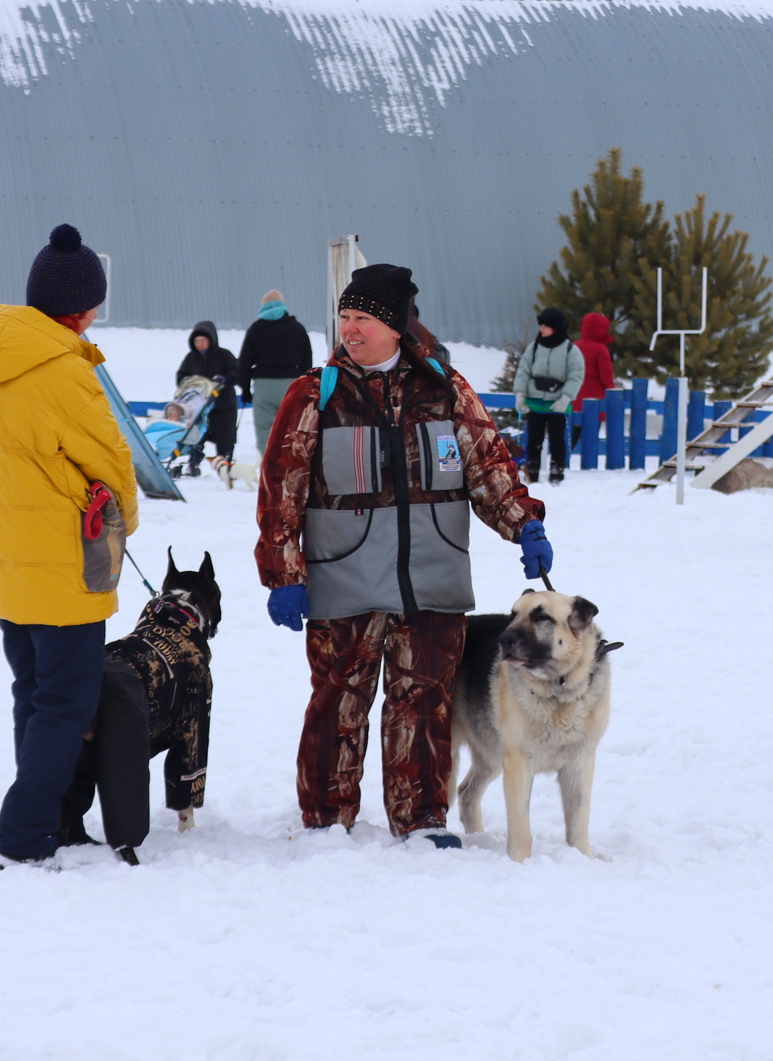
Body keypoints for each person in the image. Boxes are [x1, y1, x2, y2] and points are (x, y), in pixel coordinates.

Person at [256, 263, 550, 848]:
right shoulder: (315, 395)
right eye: (344, 318)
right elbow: (280, 490)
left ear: (394, 325)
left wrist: (524, 525)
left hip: (432, 579)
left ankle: (421, 820)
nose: (351, 329)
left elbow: (489, 468)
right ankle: (326, 821)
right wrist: (283, 574)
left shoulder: (446, 390)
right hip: (344, 580)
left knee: (425, 703)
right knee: (338, 701)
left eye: (363, 318)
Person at [0, 224, 140, 872]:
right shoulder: (63, 370)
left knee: (35, 695)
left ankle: (59, 819)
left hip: (4, 562)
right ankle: (25, 834)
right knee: (66, 704)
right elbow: (112, 460)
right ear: (82, 307)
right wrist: (126, 522)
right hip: (64, 564)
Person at [514, 306, 584, 485]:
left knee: (557, 440)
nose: (541, 329)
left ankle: (557, 473)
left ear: (555, 327)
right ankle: (532, 473)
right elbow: (523, 370)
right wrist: (520, 394)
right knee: (534, 440)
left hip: (557, 404)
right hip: (535, 402)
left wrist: (565, 398)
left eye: (545, 325)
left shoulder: (570, 350)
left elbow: (575, 375)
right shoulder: (535, 347)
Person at [238, 289, 313, 457]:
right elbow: (307, 358)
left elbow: (244, 362)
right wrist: (304, 381)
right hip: (290, 384)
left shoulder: (255, 329)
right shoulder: (297, 328)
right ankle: (291, 465)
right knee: (291, 426)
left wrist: (245, 389)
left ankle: (269, 467)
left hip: (263, 384)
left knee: (265, 429)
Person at [176, 321, 238, 475]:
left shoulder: (225, 355)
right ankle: (193, 462)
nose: (200, 344)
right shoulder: (191, 358)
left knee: (225, 435)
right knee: (196, 434)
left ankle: (225, 464)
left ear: (211, 340)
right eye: (197, 341)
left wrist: (225, 380)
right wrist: (188, 382)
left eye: (203, 340)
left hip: (223, 404)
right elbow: (181, 376)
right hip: (199, 406)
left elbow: (237, 372)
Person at [575, 311, 615, 411]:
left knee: (573, 425)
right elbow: (606, 377)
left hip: (573, 398)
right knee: (591, 425)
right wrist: (612, 391)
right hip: (595, 400)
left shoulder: (573, 346)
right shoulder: (600, 349)